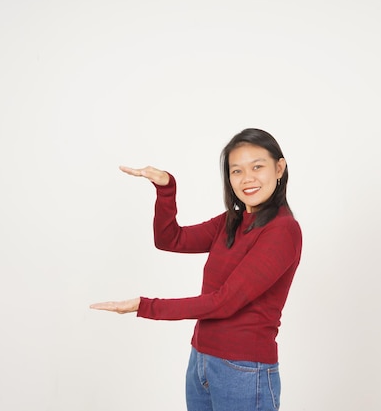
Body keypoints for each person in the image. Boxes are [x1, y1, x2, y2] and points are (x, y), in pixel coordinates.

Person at [90, 128, 302, 411]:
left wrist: (145, 306)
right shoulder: (232, 220)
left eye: (257, 167)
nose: (247, 178)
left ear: (279, 168)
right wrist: (166, 189)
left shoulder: (282, 230)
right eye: (236, 171)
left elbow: (224, 302)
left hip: (244, 370)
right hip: (202, 360)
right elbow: (170, 240)